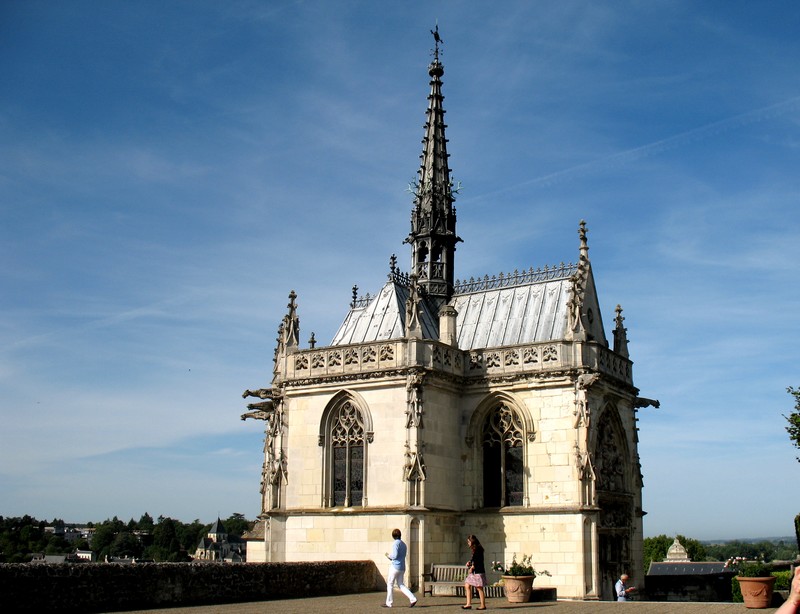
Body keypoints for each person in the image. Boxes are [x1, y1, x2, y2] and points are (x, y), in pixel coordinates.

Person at [383, 528, 417, 608]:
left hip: (395, 566)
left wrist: (388, 556)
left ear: (393, 536)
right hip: (402, 566)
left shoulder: (395, 543)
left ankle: (389, 603)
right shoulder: (403, 544)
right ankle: (413, 598)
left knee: (390, 583)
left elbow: (394, 556)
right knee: (401, 584)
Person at [462, 534, 487, 610]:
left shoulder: (478, 549)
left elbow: (478, 560)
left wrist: (472, 567)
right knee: (467, 585)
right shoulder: (475, 549)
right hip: (475, 572)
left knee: (479, 587)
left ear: (472, 541)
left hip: (478, 571)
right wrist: (469, 562)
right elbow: (474, 559)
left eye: (469, 542)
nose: (468, 543)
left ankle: (483, 605)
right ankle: (468, 604)